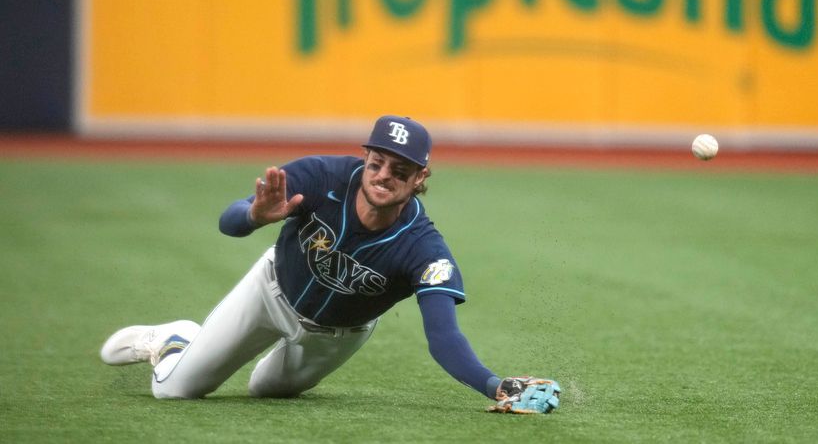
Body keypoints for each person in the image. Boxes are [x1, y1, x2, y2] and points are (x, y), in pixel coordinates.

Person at [99, 115, 560, 413]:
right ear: (366, 157)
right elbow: (229, 222)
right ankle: (177, 339)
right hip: (269, 291)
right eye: (378, 162)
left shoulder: (424, 250)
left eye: (400, 171)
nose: (384, 176)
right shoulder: (320, 177)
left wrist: (494, 385)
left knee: (267, 392)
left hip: (335, 336)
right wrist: (254, 216)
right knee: (176, 390)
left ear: (420, 178)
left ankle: (255, 361)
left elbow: (443, 337)